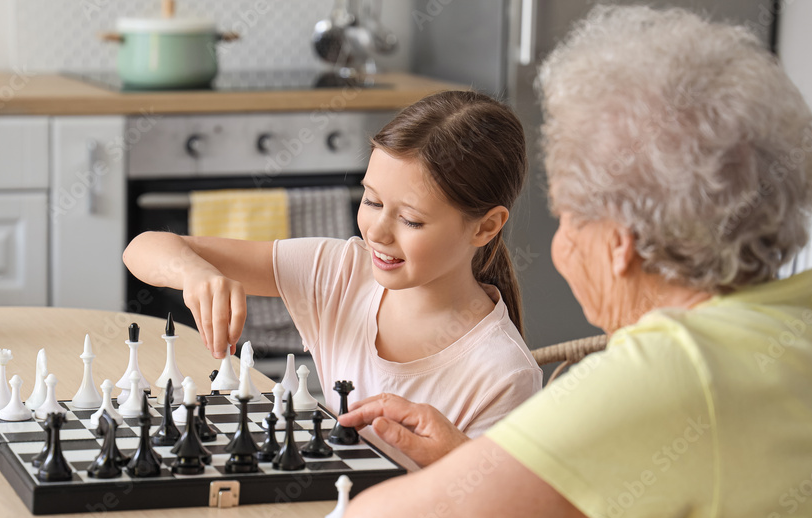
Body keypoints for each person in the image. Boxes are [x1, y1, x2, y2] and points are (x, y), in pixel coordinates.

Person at [334, 7, 812, 518]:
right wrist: (475, 465)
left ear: (619, 244)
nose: (559, 246)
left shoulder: (680, 367)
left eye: (566, 219)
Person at [122, 90, 541, 436]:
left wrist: (453, 461)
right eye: (372, 200)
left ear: (485, 227)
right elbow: (144, 248)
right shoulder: (339, 273)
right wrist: (196, 275)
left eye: (411, 219)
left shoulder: (504, 376)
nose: (376, 231)